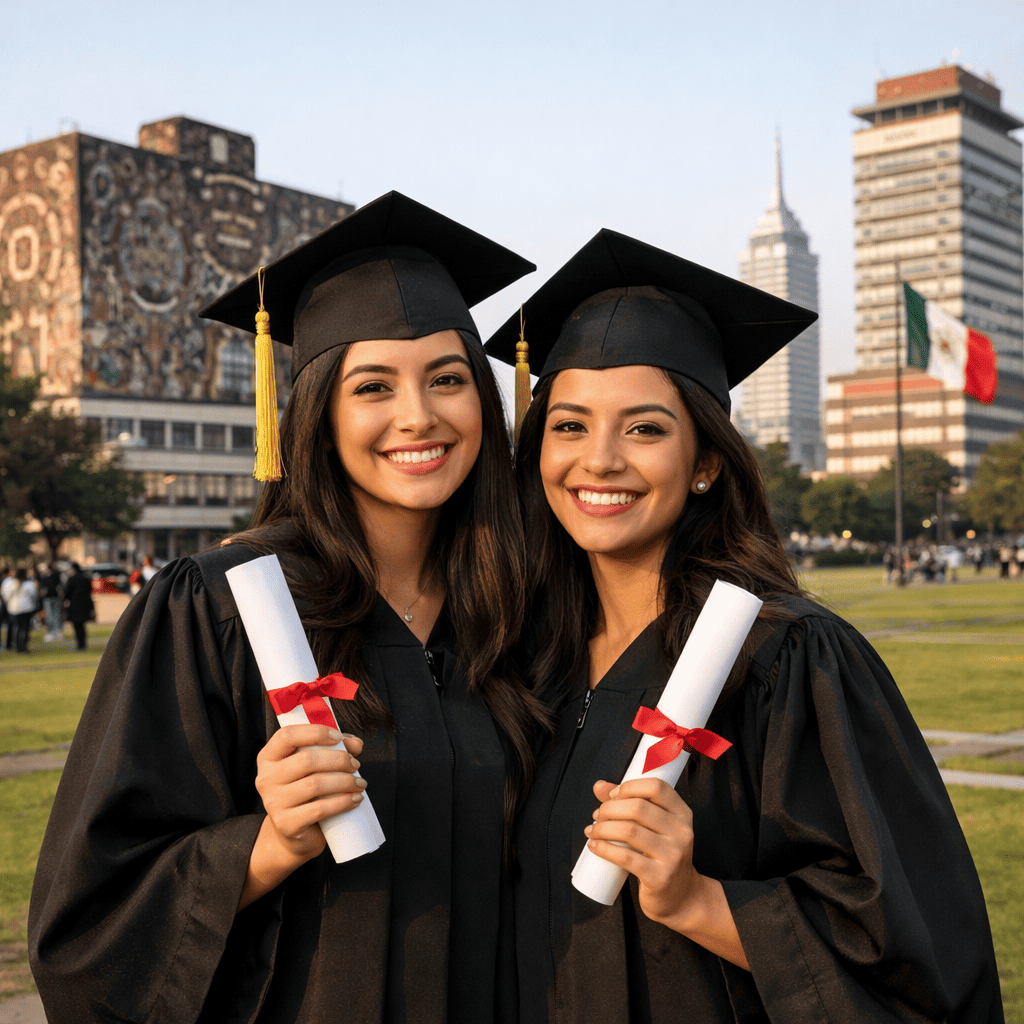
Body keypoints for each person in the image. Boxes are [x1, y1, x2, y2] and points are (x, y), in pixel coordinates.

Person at [30, 192, 546, 1024]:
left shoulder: (517, 614)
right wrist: (267, 846)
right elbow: (88, 919)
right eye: (372, 386)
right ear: (317, 415)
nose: (419, 414)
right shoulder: (218, 610)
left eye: (448, 379)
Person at [486, 230, 1003, 1023]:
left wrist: (694, 899)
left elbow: (911, 946)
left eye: (645, 429)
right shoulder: (522, 663)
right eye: (569, 425)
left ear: (706, 462)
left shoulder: (789, 660)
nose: (600, 460)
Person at [60, 563, 94, 651]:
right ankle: (83, 644)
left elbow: (67, 591)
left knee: (77, 625)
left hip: (75, 604)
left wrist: (65, 600)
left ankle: (80, 644)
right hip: (85, 603)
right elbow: (90, 589)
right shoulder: (85, 578)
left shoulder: (72, 579)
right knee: (82, 625)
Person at [7, 567, 39, 653]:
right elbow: (34, 595)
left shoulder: (11, 584)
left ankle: (18, 645)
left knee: (17, 627)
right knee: (25, 627)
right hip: (27, 608)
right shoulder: (29, 584)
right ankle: (23, 645)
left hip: (14, 609)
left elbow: (6, 595)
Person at [37, 563, 64, 641]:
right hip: (48, 598)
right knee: (50, 615)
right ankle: (52, 631)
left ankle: (57, 631)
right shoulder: (44, 577)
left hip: (54, 597)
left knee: (56, 615)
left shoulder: (55, 576)